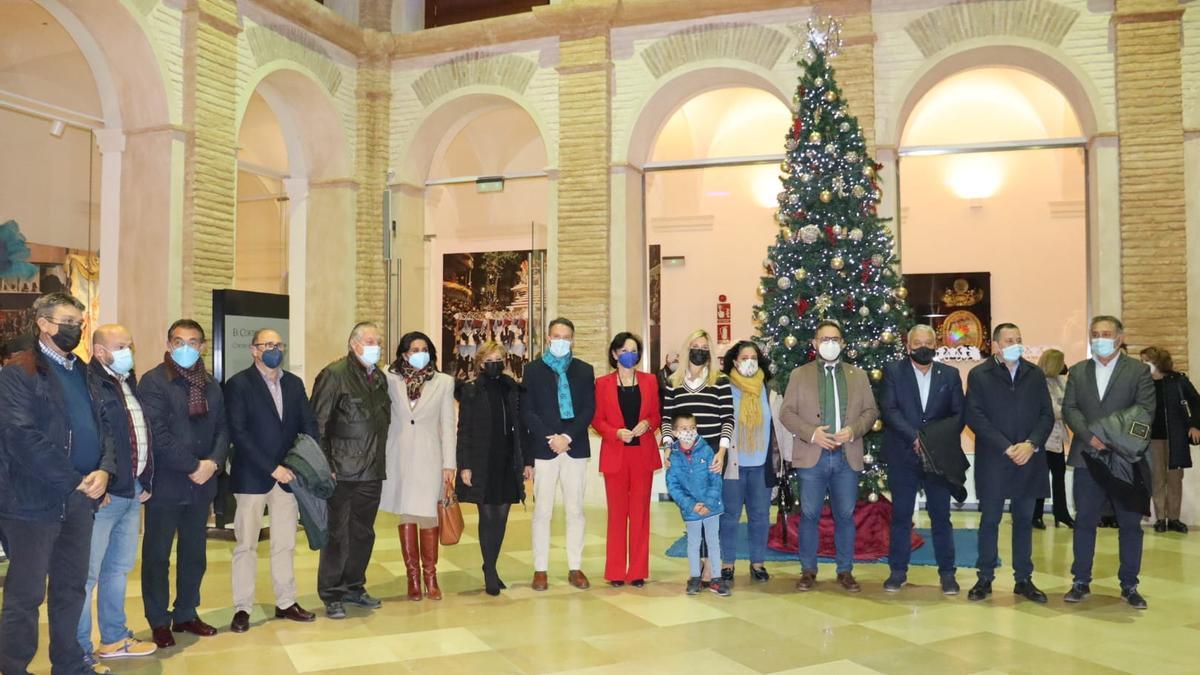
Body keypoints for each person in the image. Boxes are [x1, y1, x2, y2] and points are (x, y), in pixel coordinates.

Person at [0, 293, 114, 675]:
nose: (76, 329)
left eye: (79, 323)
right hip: (31, 502)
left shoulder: (84, 371)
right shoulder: (19, 372)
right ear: (44, 324)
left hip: (79, 500)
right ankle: (13, 668)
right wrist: (74, 479)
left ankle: (68, 664)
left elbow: (105, 426)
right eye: (68, 322)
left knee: (70, 588)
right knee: (26, 594)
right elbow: (21, 436)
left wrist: (105, 470)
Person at [137, 319, 228, 648]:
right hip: (166, 483)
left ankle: (186, 613)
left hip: (202, 485)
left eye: (193, 342)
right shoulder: (153, 381)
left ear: (202, 346)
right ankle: (159, 620)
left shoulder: (211, 384)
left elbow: (223, 429)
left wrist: (213, 463)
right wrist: (193, 465)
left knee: (194, 554)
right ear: (169, 344)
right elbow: (156, 433)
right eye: (179, 341)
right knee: (157, 556)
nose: (186, 348)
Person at [225, 329, 319, 633]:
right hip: (252, 477)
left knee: (285, 543)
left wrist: (301, 463)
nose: (274, 349)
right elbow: (239, 434)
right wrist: (271, 468)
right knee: (246, 545)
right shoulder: (238, 384)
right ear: (254, 350)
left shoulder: (294, 383)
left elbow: (308, 426)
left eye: (278, 344)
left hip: (288, 477)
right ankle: (242, 607)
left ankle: (286, 601)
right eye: (267, 344)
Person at [77, 325, 157, 671]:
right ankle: (78, 650)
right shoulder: (87, 384)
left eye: (130, 344)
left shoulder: (126, 381)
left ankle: (113, 638)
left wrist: (144, 478)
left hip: (131, 489)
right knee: (86, 575)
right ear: (99, 351)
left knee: (118, 570)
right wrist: (100, 481)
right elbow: (88, 437)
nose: (128, 351)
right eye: (120, 346)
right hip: (104, 494)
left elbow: (139, 434)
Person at [779, 320, 880, 593]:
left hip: (847, 456)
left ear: (843, 343)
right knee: (809, 514)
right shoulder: (799, 375)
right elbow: (786, 413)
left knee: (845, 515)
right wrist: (812, 434)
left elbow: (871, 412)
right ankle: (808, 570)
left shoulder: (858, 375)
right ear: (814, 343)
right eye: (824, 339)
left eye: (835, 339)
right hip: (813, 456)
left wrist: (854, 430)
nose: (830, 343)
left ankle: (845, 570)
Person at [1062, 316, 1156, 609]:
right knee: (1084, 521)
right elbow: (1070, 408)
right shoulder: (1078, 370)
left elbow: (1145, 411)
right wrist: (1090, 436)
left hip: (1125, 458)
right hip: (1086, 457)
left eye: (1105, 334)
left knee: (1130, 524)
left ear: (1119, 338)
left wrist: (1109, 436)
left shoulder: (1138, 371)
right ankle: (1080, 580)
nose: (1099, 339)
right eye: (1095, 334)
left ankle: (1129, 584)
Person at [963, 322, 1053, 604]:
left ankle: (1023, 579)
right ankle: (985, 577)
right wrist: (1005, 446)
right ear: (996, 345)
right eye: (1009, 340)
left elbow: (1046, 415)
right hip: (994, 459)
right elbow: (974, 416)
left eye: (1018, 339)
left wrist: (1031, 444)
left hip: (1029, 458)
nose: (1015, 344)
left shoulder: (1034, 374)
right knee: (990, 520)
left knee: (1024, 520)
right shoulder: (980, 375)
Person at [312, 322, 390, 619]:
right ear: (353, 344)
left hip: (372, 470)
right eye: (369, 341)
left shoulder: (379, 378)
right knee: (338, 535)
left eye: (378, 341)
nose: (375, 346)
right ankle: (332, 593)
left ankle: (354, 586)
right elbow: (318, 424)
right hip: (341, 471)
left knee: (363, 533)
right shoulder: (334, 375)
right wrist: (326, 466)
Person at [879, 324, 965, 595]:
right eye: (917, 343)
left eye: (928, 342)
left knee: (941, 517)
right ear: (908, 346)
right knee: (901, 516)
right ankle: (898, 571)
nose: (923, 347)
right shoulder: (893, 372)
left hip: (938, 459)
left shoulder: (950, 375)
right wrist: (915, 437)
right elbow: (889, 409)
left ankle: (947, 574)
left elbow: (958, 415)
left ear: (935, 345)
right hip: (903, 455)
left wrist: (931, 442)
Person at [381, 332, 456, 602]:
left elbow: (448, 424)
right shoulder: (389, 378)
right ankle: (412, 577)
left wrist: (449, 463)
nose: (419, 353)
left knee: (428, 514)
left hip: (430, 456)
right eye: (414, 349)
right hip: (399, 455)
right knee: (407, 515)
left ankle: (431, 576)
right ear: (404, 353)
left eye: (424, 349)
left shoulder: (443, 382)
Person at [522, 318, 596, 591]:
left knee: (575, 511)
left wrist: (567, 437)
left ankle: (575, 567)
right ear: (548, 338)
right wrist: (551, 437)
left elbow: (589, 409)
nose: (561, 341)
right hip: (544, 449)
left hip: (575, 448)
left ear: (573, 339)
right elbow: (527, 410)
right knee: (542, 511)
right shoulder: (532, 370)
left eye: (566, 337)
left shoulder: (584, 370)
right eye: (556, 336)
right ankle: (540, 569)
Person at [456, 341, 530, 596]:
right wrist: (464, 465)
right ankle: (489, 570)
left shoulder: (512, 388)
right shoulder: (471, 390)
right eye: (489, 360)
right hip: (482, 460)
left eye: (498, 359)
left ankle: (491, 564)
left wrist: (526, 461)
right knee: (487, 516)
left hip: (508, 460)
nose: (494, 364)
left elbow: (522, 427)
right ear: (480, 363)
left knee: (502, 517)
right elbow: (464, 430)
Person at [660, 329, 733, 587]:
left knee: (711, 508)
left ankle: (711, 565)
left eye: (704, 347)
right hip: (683, 456)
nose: (699, 351)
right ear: (686, 348)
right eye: (695, 346)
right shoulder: (673, 382)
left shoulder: (720, 381)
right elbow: (666, 418)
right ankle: (699, 562)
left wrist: (722, 451)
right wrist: (667, 446)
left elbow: (728, 418)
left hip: (712, 453)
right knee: (692, 508)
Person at [592, 332, 661, 588]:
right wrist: (615, 433)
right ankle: (616, 571)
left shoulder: (650, 381)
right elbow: (597, 420)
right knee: (617, 515)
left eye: (633, 350)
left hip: (642, 454)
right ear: (614, 354)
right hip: (616, 454)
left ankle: (638, 571)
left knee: (640, 514)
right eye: (624, 350)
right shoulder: (602, 384)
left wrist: (648, 423)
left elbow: (657, 414)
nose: (629, 355)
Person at [718, 340, 781, 586]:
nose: (749, 362)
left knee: (760, 516)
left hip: (761, 465)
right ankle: (727, 564)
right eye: (744, 358)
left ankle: (758, 563)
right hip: (733, 465)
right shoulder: (724, 387)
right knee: (729, 516)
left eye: (753, 357)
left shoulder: (769, 387)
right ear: (734, 361)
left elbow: (778, 424)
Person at [666, 413, 729, 596]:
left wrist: (709, 502)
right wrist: (690, 505)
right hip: (691, 510)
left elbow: (715, 478)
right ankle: (695, 577)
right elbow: (673, 486)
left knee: (713, 542)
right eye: (684, 429)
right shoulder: (673, 457)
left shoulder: (707, 450)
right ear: (675, 433)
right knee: (693, 543)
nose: (689, 432)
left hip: (712, 508)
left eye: (692, 428)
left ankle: (716, 578)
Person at [1141, 347, 1200, 533]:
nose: (1143, 364)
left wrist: (1195, 425)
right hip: (1152, 439)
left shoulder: (1178, 380)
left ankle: (1174, 518)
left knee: (1175, 478)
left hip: (1176, 438)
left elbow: (1196, 402)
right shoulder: (1143, 383)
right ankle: (1160, 518)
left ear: (1157, 362)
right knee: (1157, 478)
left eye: (1146, 360)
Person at [1034, 349, 1073, 529]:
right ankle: (1036, 515)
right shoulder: (1038, 382)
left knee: (1059, 476)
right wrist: (1066, 410)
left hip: (1057, 438)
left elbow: (1067, 404)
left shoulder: (1060, 381)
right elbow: (1051, 411)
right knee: (1040, 478)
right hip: (1042, 439)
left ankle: (1061, 513)